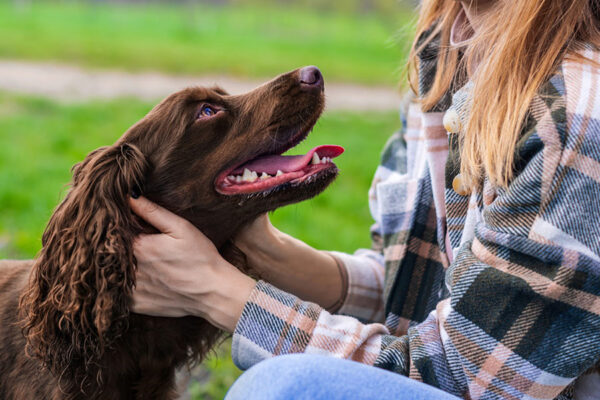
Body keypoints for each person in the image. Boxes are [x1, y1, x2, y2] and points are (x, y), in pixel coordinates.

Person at [128, 0, 600, 398]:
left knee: (288, 389)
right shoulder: (445, 52)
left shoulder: (576, 115)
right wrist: (263, 255)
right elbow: (418, 286)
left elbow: (462, 376)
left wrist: (218, 292)